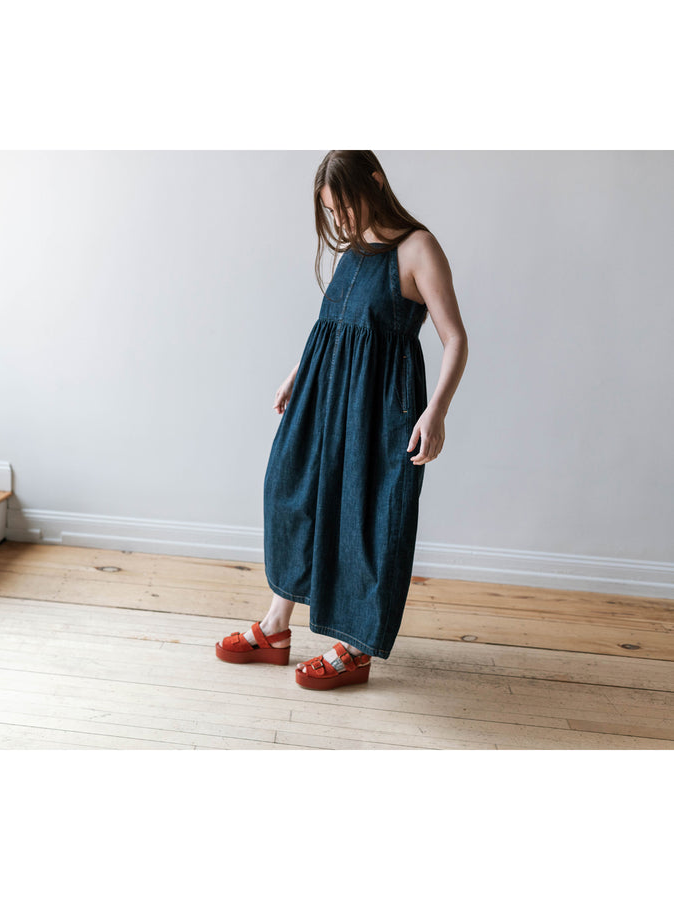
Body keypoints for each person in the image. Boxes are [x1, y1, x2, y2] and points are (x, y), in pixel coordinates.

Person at [216, 150, 468, 690]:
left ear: (375, 182)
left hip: (380, 408)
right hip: (323, 395)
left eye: (345, 206)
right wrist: (296, 374)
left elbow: (455, 338)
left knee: (366, 516)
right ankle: (275, 627)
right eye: (331, 212)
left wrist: (437, 410)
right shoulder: (353, 251)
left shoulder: (417, 248)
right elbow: (334, 326)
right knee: (292, 492)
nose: (340, 221)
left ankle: (355, 649)